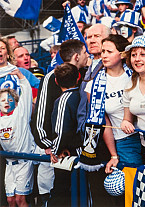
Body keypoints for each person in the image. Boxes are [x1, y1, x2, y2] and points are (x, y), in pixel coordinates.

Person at [31, 40, 89, 206]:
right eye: (85, 53)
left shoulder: (87, 74)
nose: (87, 56)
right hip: (61, 153)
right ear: (77, 56)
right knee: (62, 192)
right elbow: (40, 116)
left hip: (84, 151)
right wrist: (51, 146)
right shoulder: (51, 77)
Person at [84, 35, 142, 173]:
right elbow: (104, 122)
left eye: (109, 52)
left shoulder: (137, 75)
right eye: (103, 51)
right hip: (125, 141)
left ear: (122, 55)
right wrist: (114, 154)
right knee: (133, 184)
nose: (104, 55)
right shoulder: (93, 85)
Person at [50, 63, 83, 207]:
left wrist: (55, 150)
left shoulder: (63, 100)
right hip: (81, 150)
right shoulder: (82, 95)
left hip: (71, 154)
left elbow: (60, 129)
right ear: (78, 78)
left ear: (56, 81)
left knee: (62, 193)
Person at [0, 68, 34, 207]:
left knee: (20, 200)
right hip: (9, 164)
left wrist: (20, 76)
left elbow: (26, 93)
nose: (6, 102)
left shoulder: (21, 114)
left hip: (23, 163)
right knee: (10, 200)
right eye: (2, 100)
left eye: (9, 99)